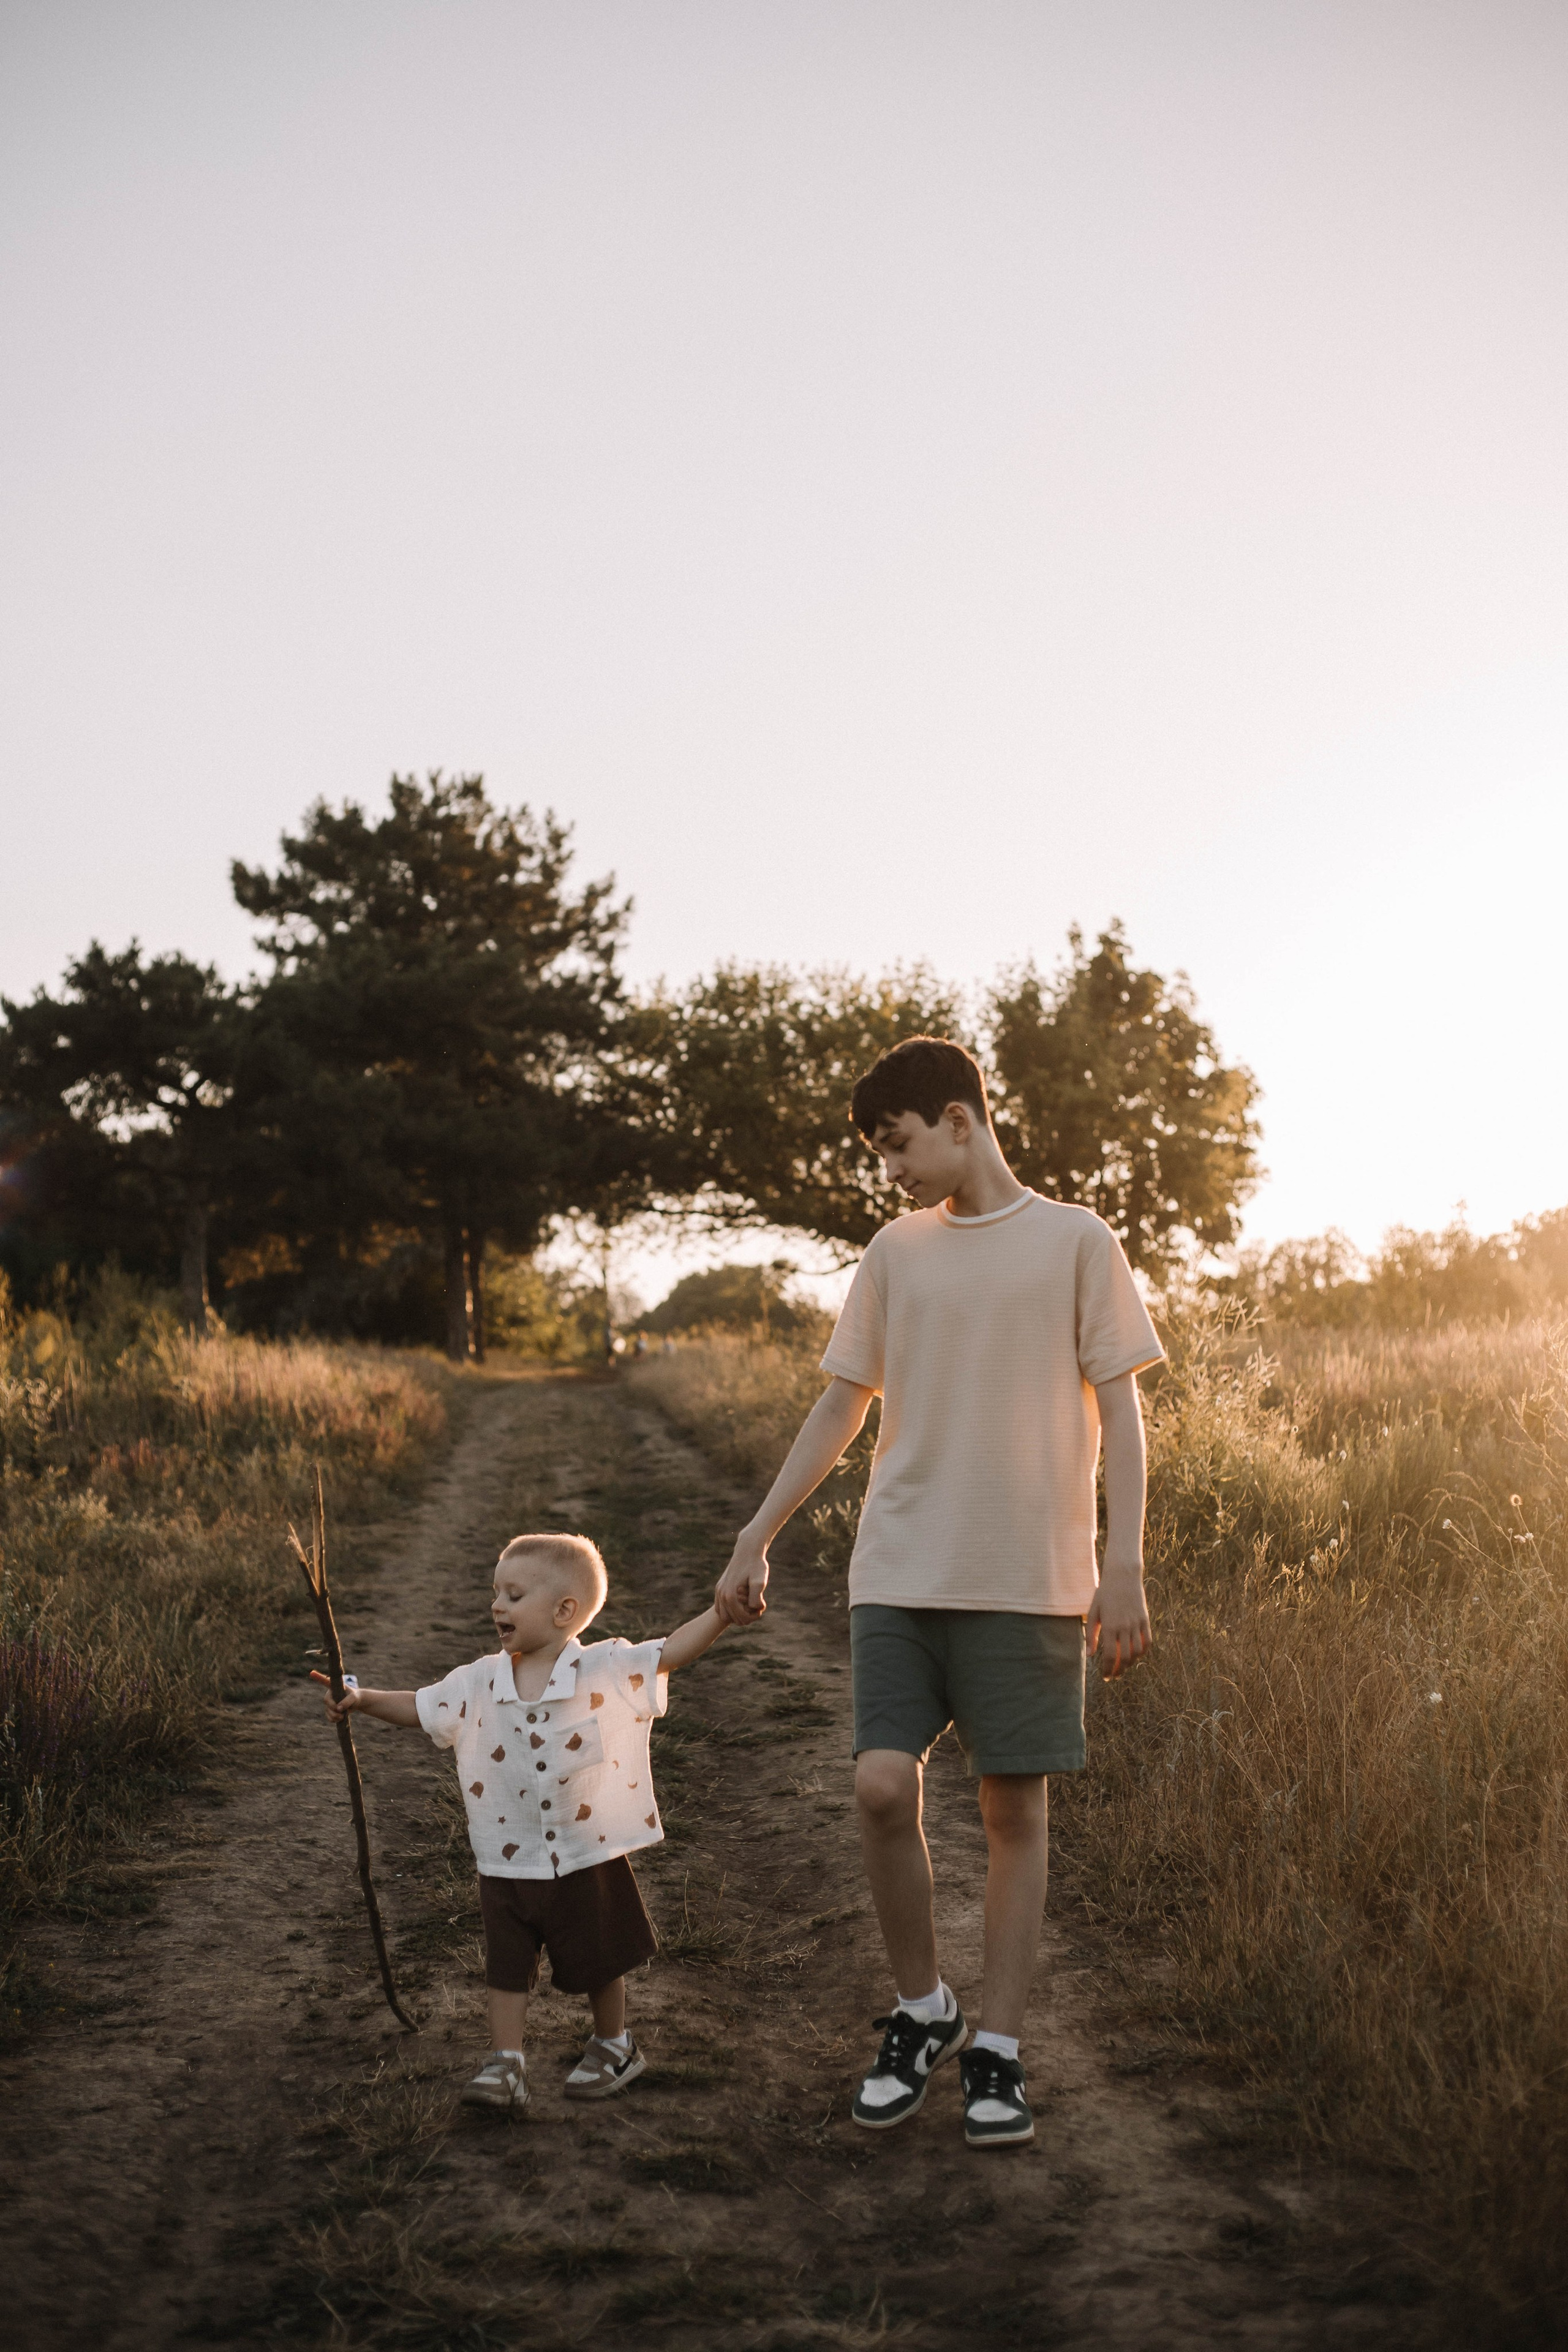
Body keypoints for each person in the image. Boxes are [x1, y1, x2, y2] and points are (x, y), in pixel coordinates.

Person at [713, 1035, 1163, 2150]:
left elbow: (1123, 1413)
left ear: (961, 1119)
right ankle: (924, 2011)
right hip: (902, 1567)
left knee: (1014, 1812)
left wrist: (1123, 1565)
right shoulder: (893, 1253)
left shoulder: (1075, 1241)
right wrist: (756, 1532)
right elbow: (841, 1405)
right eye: (879, 1153)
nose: (892, 1170)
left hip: (1027, 1577)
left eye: (899, 1144)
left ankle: (998, 2051)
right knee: (878, 1787)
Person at [315, 1532, 727, 2114]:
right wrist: (363, 1699)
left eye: (514, 1595)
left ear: (564, 1611)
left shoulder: (603, 1668)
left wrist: (721, 1614)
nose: (497, 1606)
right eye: (495, 1594)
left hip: (586, 1853)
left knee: (600, 1958)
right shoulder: (479, 1680)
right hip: (505, 1855)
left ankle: (614, 2044)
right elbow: (422, 1706)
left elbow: (670, 1653)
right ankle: (507, 2062)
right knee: (506, 1964)